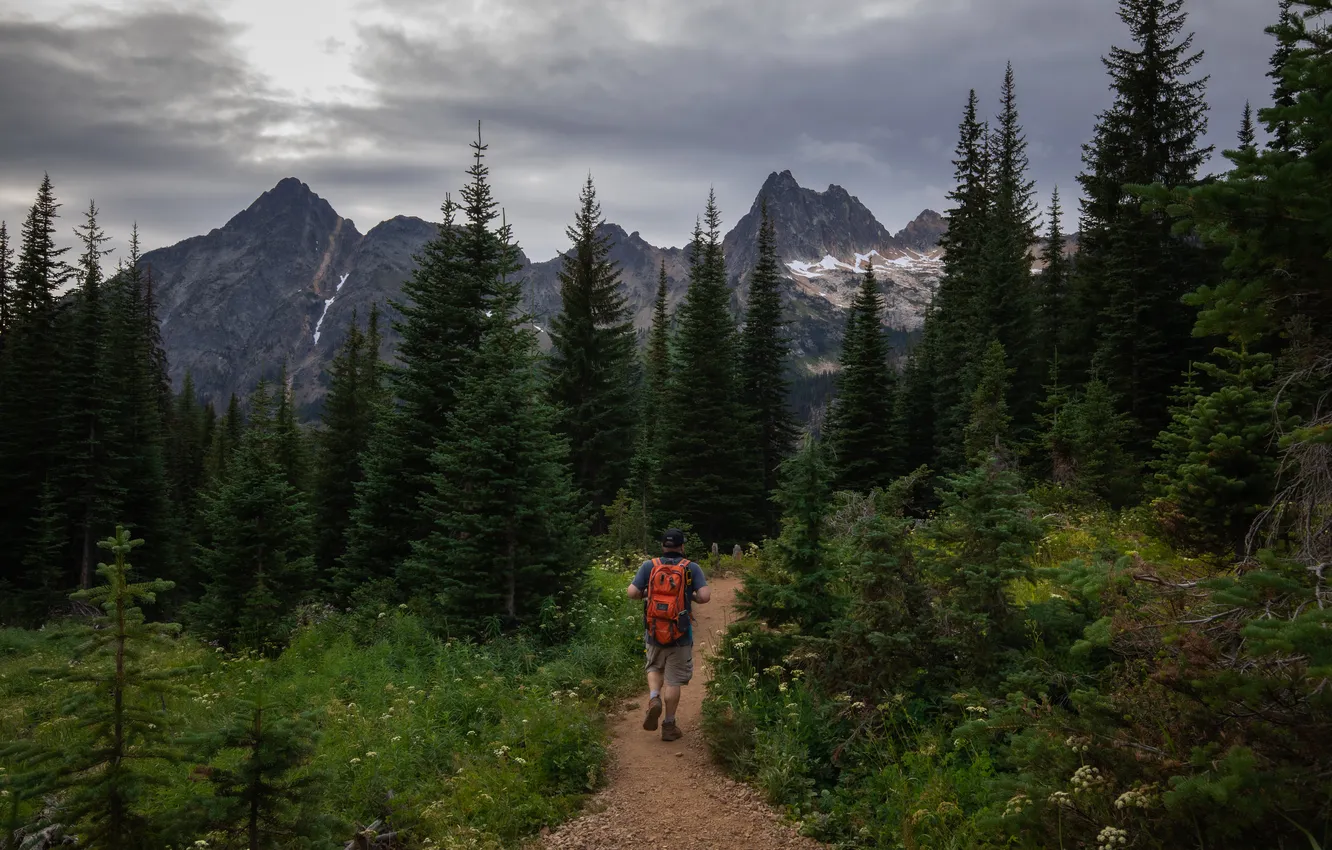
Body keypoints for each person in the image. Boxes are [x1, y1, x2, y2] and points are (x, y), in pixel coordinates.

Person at [627, 528, 710, 741]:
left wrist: (650, 593)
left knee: (654, 667)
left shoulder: (650, 565)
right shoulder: (691, 567)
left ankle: (654, 697)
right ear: (682, 546)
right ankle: (669, 725)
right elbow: (705, 597)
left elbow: (632, 593)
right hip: (680, 632)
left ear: (663, 546)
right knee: (673, 680)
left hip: (654, 629)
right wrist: (688, 596)